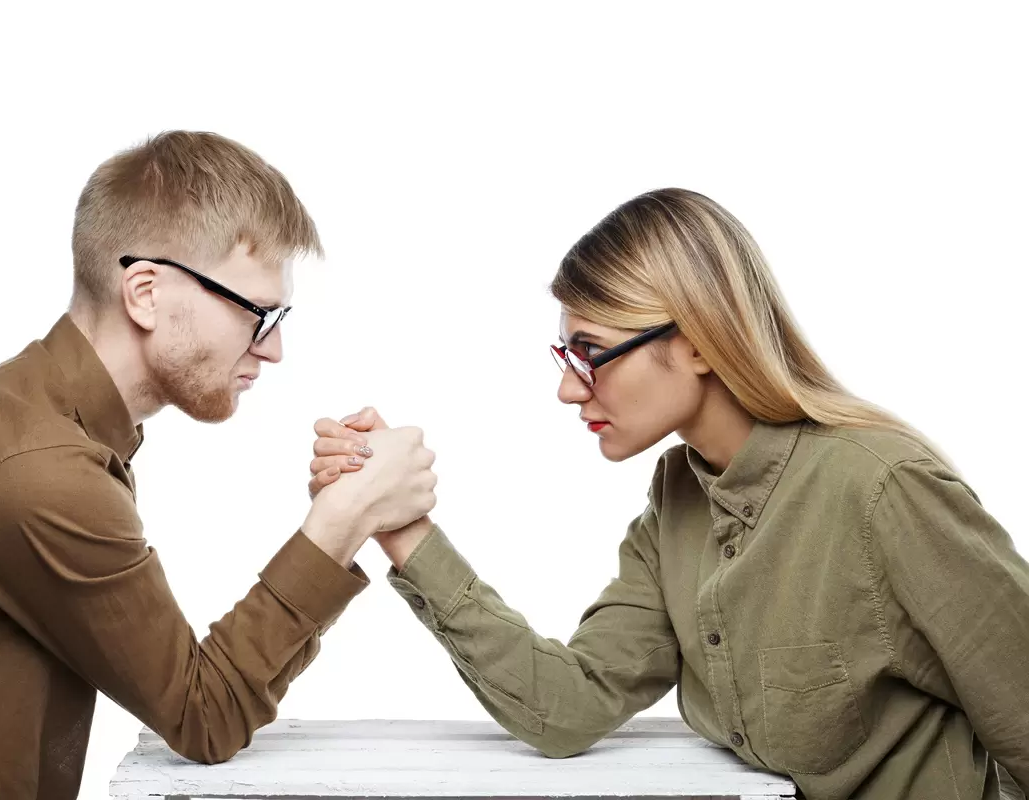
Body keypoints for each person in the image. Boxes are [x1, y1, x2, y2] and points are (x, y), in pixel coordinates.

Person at [308, 188, 1029, 800]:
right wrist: (399, 527)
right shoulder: (678, 498)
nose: (567, 388)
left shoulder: (882, 489)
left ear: (699, 344)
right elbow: (569, 705)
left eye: (591, 353)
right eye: (566, 357)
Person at [0, 131, 437, 800]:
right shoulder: (41, 471)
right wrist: (344, 520)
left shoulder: (49, 424)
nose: (275, 349)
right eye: (258, 314)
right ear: (144, 293)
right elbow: (205, 715)